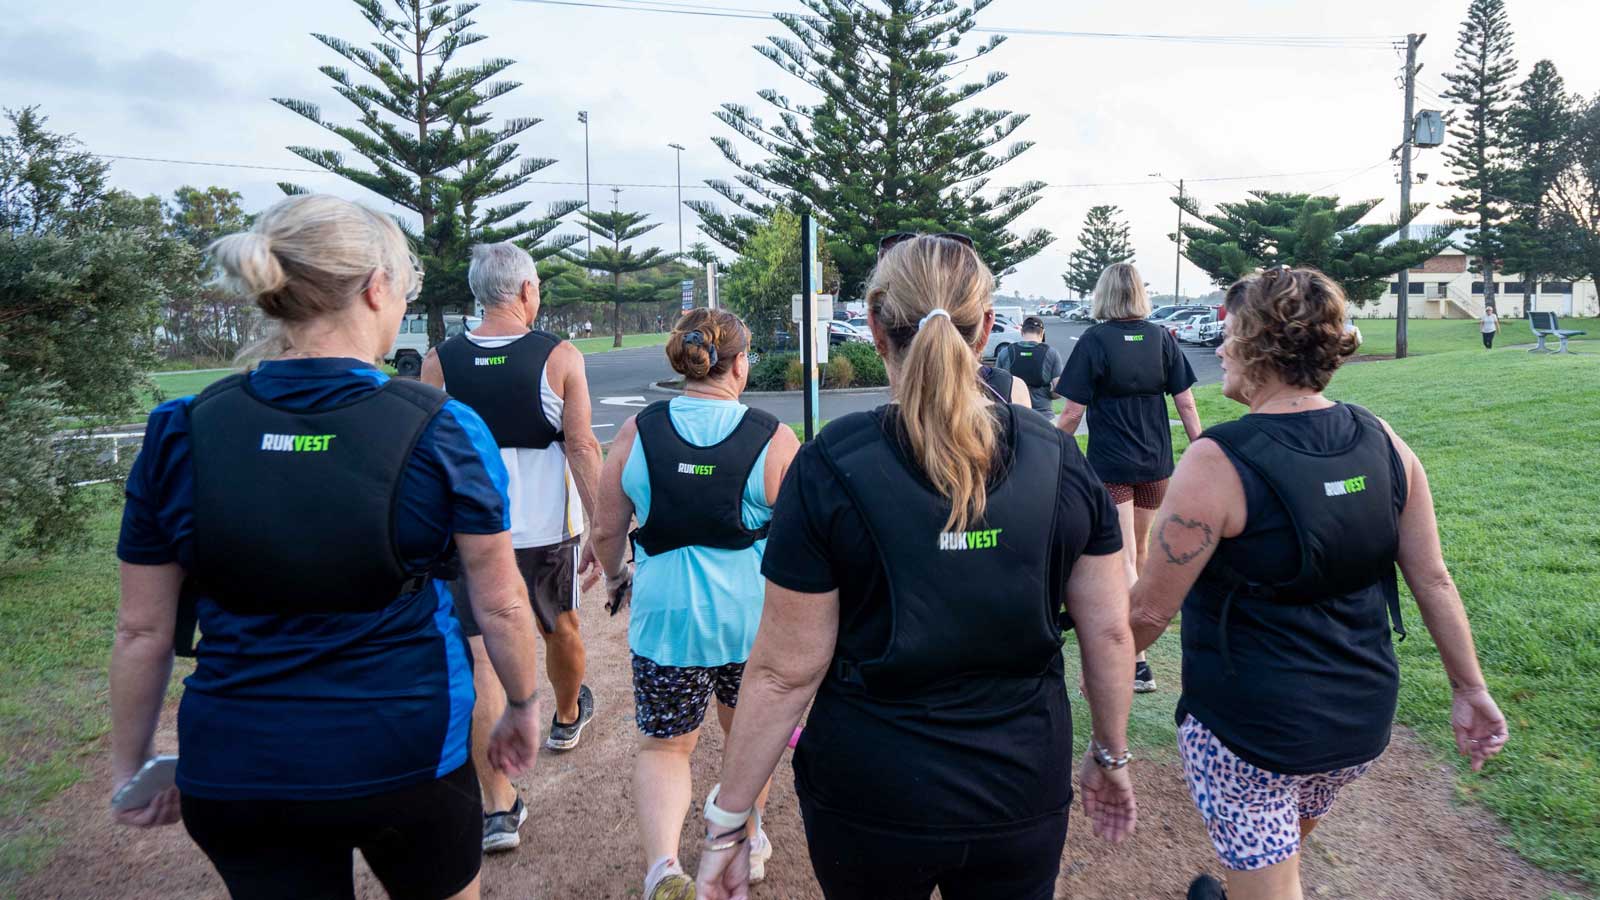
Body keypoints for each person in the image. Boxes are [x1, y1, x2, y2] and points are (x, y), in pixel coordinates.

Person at [108, 195, 543, 900]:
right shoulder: (445, 429)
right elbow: (501, 604)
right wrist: (523, 705)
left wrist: (135, 766)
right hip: (407, 749)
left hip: (239, 761)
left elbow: (141, 629)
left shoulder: (181, 430)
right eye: (401, 285)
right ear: (376, 287)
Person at [696, 234, 1138, 900]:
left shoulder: (828, 467)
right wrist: (1109, 754)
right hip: (1018, 788)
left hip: (871, 797)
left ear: (874, 325)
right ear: (986, 327)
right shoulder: (1059, 463)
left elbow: (786, 669)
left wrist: (728, 824)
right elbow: (1109, 634)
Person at [1129, 267, 1509, 900]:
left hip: (1251, 733)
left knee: (1270, 858)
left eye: (1230, 333)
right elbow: (1434, 580)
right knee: (1280, 843)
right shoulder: (1384, 442)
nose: (1218, 348)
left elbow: (1146, 616)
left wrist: (1073, 641)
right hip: (1359, 722)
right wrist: (1470, 689)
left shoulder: (1217, 460)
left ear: (1259, 346)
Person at [585, 308, 800, 900]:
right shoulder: (774, 438)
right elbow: (804, 541)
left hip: (665, 623)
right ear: (740, 364)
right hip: (747, 624)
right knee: (746, 737)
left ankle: (663, 869)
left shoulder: (638, 431)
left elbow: (607, 529)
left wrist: (613, 576)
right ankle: (745, 838)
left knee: (664, 745)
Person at [422, 242, 603, 852]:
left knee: (481, 661)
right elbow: (581, 447)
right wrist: (605, 531)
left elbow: (430, 457)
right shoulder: (559, 357)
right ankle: (567, 718)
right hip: (545, 530)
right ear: (527, 292)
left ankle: (499, 809)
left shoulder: (439, 362)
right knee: (562, 628)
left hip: (471, 536)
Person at [1055, 262, 1203, 693]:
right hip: (1156, 465)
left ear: (1104, 294)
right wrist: (1206, 449)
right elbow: (1187, 405)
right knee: (1137, 555)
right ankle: (1138, 652)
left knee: (1122, 560)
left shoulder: (1095, 340)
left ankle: (1137, 661)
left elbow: (1071, 414)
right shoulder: (1160, 337)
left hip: (1112, 466)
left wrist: (1040, 448)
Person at [996, 315, 1066, 417]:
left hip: (1015, 416)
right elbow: (1059, 391)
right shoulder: (1052, 353)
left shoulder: (1005, 352)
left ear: (1022, 332)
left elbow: (998, 387)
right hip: (1043, 416)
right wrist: (1047, 394)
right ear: (1042, 333)